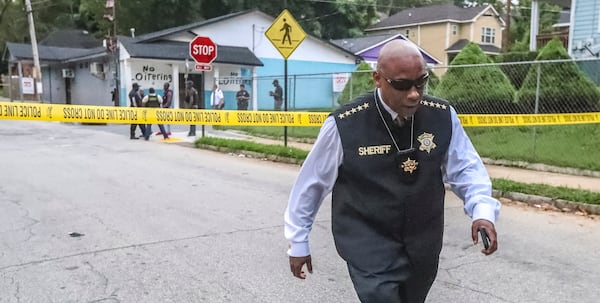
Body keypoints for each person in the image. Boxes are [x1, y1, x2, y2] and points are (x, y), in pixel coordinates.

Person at [284, 39, 500, 303]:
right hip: (367, 243)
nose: (414, 94)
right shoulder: (345, 125)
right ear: (378, 78)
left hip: (422, 244)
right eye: (402, 85)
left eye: (421, 82)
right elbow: (312, 184)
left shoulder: (442, 116)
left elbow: (466, 168)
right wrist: (298, 241)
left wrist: (482, 212)